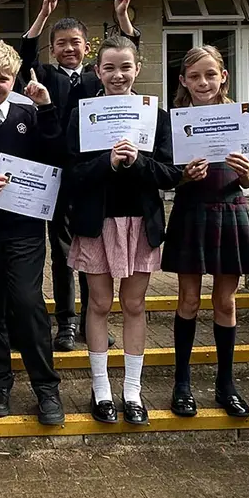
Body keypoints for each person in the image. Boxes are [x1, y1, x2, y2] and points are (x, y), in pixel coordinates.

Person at [66, 36, 182, 426]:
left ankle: (131, 391)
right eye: (110, 67)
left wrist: (136, 163)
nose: (118, 75)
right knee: (98, 305)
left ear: (137, 69)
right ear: (97, 71)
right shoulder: (82, 114)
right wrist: (107, 163)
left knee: (134, 305)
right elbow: (70, 174)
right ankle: (101, 391)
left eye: (125, 67)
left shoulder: (157, 116)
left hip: (140, 223)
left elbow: (171, 174)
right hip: (96, 222)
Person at [21, 0, 140, 353]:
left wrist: (121, 14)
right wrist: (43, 13)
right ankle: (67, 323)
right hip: (57, 175)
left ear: (86, 47)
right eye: (61, 43)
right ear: (52, 49)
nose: (69, 48)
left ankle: (94, 318)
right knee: (61, 251)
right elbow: (24, 57)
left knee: (94, 250)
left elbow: (130, 53)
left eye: (75, 42)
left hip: (95, 175)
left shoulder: (98, 78)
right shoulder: (46, 77)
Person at [162, 45, 249, 419]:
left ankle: (227, 385)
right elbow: (168, 177)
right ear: (183, 81)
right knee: (188, 301)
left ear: (223, 76)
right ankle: (182, 384)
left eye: (210, 74)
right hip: (191, 212)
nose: (203, 82)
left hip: (230, 211)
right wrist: (183, 176)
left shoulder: (240, 117)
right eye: (194, 76)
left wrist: (245, 174)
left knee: (225, 302)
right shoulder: (176, 122)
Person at [0, 41, 65, 425]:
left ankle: (46, 388)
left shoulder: (30, 112)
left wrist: (46, 108)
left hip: (25, 228)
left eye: (3, 78)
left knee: (28, 304)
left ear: (14, 80)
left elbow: (57, 155)